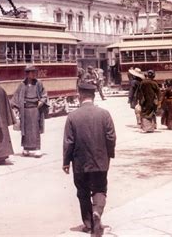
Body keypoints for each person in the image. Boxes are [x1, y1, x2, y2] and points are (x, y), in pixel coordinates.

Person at [63, 82, 116, 237]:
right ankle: (97, 211)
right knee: (100, 189)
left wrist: (66, 162)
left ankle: (88, 225)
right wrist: (109, 155)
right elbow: (111, 137)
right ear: (94, 96)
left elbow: (69, 142)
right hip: (100, 161)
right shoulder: (104, 114)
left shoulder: (72, 116)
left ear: (80, 96)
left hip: (80, 163)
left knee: (83, 191)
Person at [12, 64, 48, 158]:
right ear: (27, 74)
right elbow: (16, 96)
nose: (33, 74)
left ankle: (37, 149)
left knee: (35, 129)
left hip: (35, 109)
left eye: (34, 72)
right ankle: (26, 148)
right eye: (31, 72)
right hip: (25, 110)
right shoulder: (22, 84)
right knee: (25, 129)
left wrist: (41, 101)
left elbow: (44, 94)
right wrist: (15, 106)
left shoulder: (38, 83)